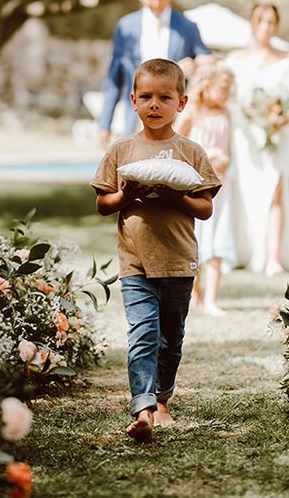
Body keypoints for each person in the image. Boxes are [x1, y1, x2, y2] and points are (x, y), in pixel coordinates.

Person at [91, 59, 220, 442]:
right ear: (132, 100)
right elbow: (103, 204)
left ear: (182, 103)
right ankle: (143, 408)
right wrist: (124, 195)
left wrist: (176, 197)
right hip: (135, 263)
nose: (154, 104)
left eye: (164, 97)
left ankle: (162, 399)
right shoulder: (121, 151)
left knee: (170, 338)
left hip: (179, 261)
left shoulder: (190, 153)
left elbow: (205, 208)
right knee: (143, 333)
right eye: (146, 96)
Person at [226, 4, 289, 275]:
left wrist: (279, 122)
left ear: (276, 25)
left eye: (270, 21)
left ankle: (273, 257)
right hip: (245, 136)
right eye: (260, 20)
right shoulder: (234, 59)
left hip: (278, 135)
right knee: (245, 190)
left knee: (276, 187)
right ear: (252, 23)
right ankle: (246, 251)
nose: (265, 25)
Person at [98, 0, 210, 148]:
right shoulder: (125, 27)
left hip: (176, 122)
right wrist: (104, 124)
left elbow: (208, 62)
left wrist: (196, 65)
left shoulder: (187, 27)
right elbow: (114, 78)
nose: (157, 4)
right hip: (134, 119)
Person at [177, 62, 236, 316]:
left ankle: (212, 298)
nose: (226, 94)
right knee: (195, 239)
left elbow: (230, 148)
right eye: (222, 88)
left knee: (218, 238)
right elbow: (175, 145)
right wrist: (206, 156)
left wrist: (225, 160)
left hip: (220, 184)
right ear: (207, 86)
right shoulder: (192, 113)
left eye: (229, 89)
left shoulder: (226, 114)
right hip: (195, 185)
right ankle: (195, 294)